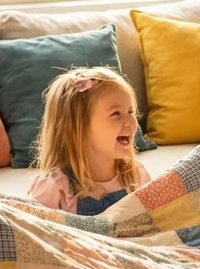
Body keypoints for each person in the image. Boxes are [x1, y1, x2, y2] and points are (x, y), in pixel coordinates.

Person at [28, 66, 151, 214]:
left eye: (130, 111)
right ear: (78, 127)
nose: (131, 122)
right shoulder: (55, 187)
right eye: (116, 113)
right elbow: (33, 231)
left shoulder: (136, 176)